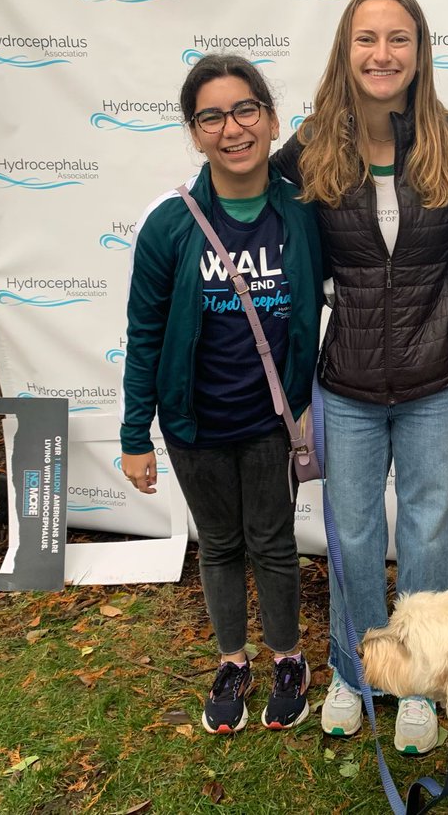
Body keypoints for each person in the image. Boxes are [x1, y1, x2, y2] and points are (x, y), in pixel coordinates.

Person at [271, 0, 448, 754]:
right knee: (353, 534)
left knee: (428, 533)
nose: (382, 54)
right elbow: (247, 205)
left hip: (436, 376)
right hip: (348, 382)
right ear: (345, 49)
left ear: (420, 51)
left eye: (399, 39)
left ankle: (419, 681)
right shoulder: (310, 144)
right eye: (367, 39)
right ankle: (354, 671)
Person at [120, 54, 323, 734]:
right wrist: (134, 437)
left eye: (245, 111)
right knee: (218, 543)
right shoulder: (169, 225)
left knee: (272, 542)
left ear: (269, 118)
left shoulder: (301, 212)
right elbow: (144, 335)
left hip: (271, 420)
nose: (232, 129)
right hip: (193, 425)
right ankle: (233, 662)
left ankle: (289, 658)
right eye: (212, 116)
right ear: (195, 131)